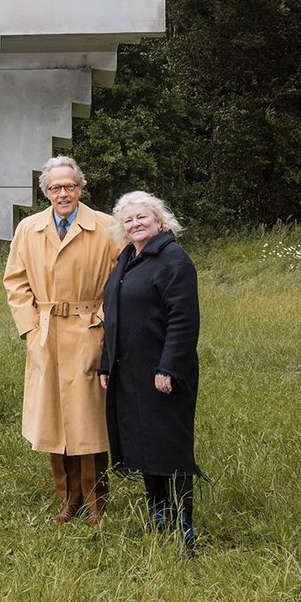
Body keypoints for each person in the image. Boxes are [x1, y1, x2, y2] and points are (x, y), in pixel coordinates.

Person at [3, 156, 122, 526]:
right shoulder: (29, 228)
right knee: (54, 420)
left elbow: (121, 280)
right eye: (55, 187)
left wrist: (101, 321)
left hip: (89, 332)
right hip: (47, 335)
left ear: (80, 187)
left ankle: (96, 502)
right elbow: (15, 282)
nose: (63, 193)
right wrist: (30, 328)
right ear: (46, 192)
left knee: (89, 421)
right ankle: (68, 500)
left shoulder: (106, 227)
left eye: (69, 185)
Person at [98, 190, 202, 553]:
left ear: (160, 220)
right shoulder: (128, 258)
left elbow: (183, 320)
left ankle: (185, 528)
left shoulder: (174, 260)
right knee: (145, 447)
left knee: (170, 450)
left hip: (162, 373)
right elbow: (113, 317)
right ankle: (160, 518)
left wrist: (168, 368)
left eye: (142, 217)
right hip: (129, 371)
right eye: (128, 220)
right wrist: (106, 363)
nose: (135, 224)